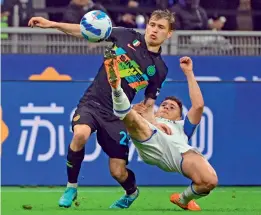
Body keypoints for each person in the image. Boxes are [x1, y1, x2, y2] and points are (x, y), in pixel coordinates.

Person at [28, 9, 175, 209]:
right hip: (93, 103)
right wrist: (51, 24)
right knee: (80, 134)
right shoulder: (126, 35)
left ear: (169, 34)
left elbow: (148, 105)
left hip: (118, 116)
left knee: (117, 171)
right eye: (152, 25)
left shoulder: (159, 70)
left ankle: (131, 191)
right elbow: (86, 30)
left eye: (161, 27)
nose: (154, 30)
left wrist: (155, 123)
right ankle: (71, 187)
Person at [106, 56, 218, 211]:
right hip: (150, 140)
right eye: (164, 105)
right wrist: (136, 112)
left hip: (176, 156)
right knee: (133, 118)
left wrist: (189, 73)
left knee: (209, 181)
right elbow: (119, 123)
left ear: (179, 117)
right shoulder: (148, 115)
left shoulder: (182, 127)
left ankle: (183, 199)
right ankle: (117, 89)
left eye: (172, 107)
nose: (166, 107)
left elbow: (198, 106)